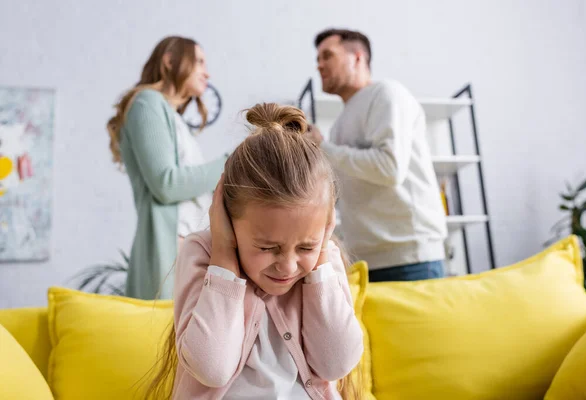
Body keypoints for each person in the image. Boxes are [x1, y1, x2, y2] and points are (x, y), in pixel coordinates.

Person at [145, 103, 364, 399]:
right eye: (268, 247)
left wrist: (321, 254)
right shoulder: (203, 252)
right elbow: (212, 368)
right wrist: (223, 254)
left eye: (306, 246)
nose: (287, 267)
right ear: (228, 221)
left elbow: (336, 363)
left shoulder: (325, 259)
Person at [306, 28, 448, 282]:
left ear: (357, 57)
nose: (320, 65)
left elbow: (389, 169)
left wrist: (323, 148)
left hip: (410, 258)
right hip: (365, 261)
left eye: (327, 56)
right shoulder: (339, 125)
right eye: (317, 59)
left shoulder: (387, 94)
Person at [107, 36, 226, 300]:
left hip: (191, 252)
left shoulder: (175, 118)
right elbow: (166, 184)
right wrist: (229, 163)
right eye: (200, 62)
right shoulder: (146, 103)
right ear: (170, 61)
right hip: (172, 254)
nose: (208, 72)